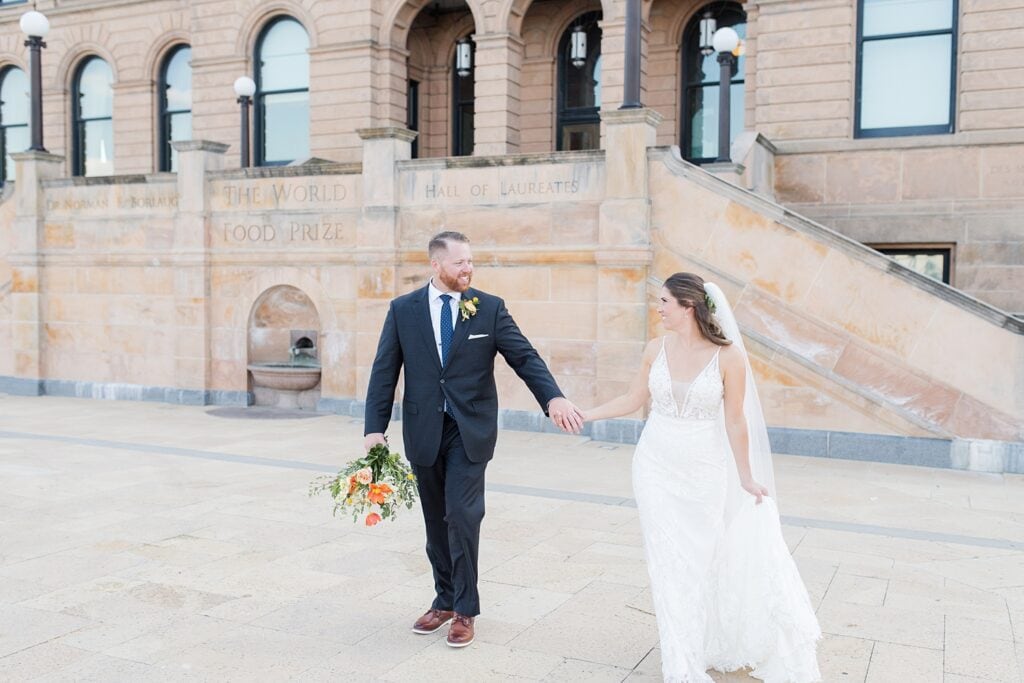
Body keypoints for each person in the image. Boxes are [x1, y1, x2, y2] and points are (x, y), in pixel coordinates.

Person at [583, 272, 821, 683]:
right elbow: (633, 399)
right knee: (669, 565)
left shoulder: (729, 357)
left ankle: (705, 640)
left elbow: (736, 421)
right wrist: (584, 414)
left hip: (703, 472)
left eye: (664, 302)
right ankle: (682, 664)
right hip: (655, 466)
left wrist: (746, 477)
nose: (657, 309)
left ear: (687, 307)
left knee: (700, 563)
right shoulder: (654, 348)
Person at [363, 231, 583, 649]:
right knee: (435, 522)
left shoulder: (490, 308)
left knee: (462, 515)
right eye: (460, 262)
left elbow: (525, 357)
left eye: (470, 262)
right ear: (436, 265)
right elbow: (384, 371)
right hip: (424, 431)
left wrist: (552, 397)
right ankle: (443, 600)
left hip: (470, 430)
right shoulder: (403, 310)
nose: (468, 269)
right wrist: (375, 428)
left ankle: (465, 609)